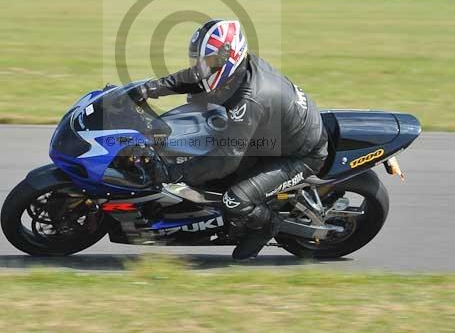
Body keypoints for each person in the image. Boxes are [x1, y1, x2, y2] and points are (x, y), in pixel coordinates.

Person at [130, 19, 329, 260]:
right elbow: (193, 77)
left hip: (300, 154)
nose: (200, 66)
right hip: (273, 133)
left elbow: (227, 160)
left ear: (228, 58)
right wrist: (149, 89)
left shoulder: (250, 99)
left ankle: (267, 226)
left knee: (234, 199)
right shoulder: (234, 69)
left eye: (206, 61)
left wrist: (172, 174)